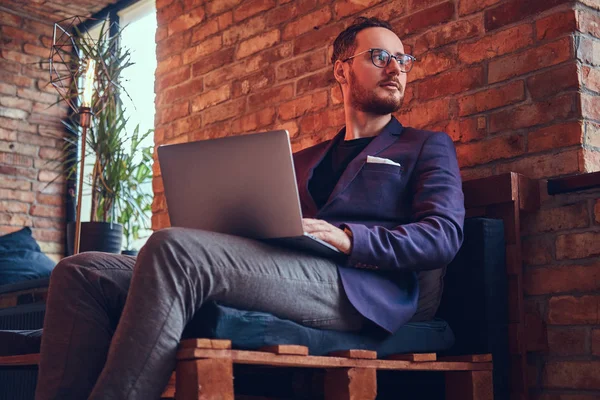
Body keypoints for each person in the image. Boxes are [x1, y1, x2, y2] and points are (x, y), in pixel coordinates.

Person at [35, 17, 464, 399]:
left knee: (173, 250)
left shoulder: (426, 146)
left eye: (402, 59)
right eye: (380, 56)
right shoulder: (303, 159)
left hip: (359, 285)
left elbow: (442, 235)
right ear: (342, 69)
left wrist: (349, 238)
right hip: (289, 266)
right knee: (80, 271)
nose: (395, 68)